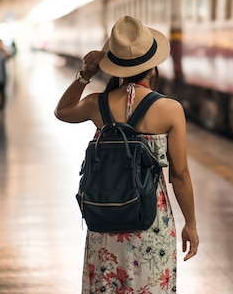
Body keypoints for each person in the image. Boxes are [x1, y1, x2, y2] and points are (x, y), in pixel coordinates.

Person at [54, 15, 199, 293]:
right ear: (153, 65)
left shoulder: (97, 104)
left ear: (115, 65)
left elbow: (62, 111)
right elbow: (179, 175)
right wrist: (190, 223)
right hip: (150, 221)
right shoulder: (170, 109)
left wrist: (85, 75)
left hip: (106, 220)